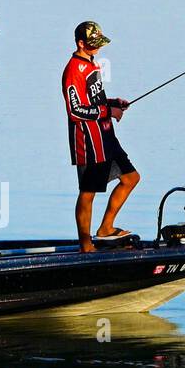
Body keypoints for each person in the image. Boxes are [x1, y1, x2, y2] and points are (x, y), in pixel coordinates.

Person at [62, 20, 138, 253]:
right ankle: (85, 243)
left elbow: (93, 99)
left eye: (98, 44)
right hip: (88, 141)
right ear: (80, 43)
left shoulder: (92, 64)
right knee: (88, 192)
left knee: (131, 178)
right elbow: (76, 111)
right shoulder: (73, 70)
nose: (97, 49)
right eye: (92, 45)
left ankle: (106, 228)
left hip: (106, 136)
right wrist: (108, 111)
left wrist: (114, 103)